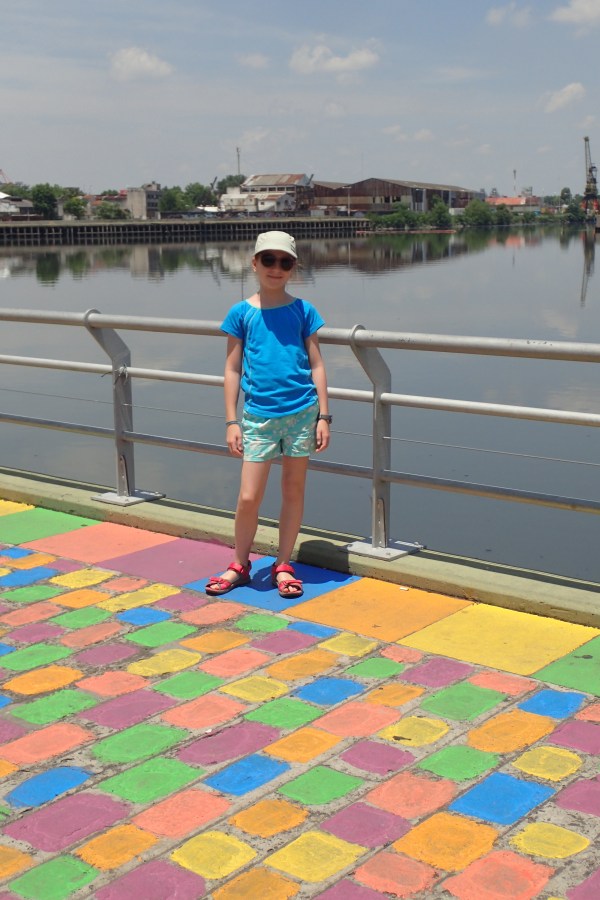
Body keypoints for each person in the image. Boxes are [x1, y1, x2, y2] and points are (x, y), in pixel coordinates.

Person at [205, 231, 331, 598]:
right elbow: (232, 369)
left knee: (293, 490)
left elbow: (317, 365)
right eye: (269, 260)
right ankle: (240, 563)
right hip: (258, 416)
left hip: (302, 413)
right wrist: (231, 421)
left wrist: (324, 416)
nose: (276, 268)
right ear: (254, 263)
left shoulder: (304, 311)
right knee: (248, 496)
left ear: (294, 267)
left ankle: (283, 563)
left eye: (285, 262)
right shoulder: (241, 313)